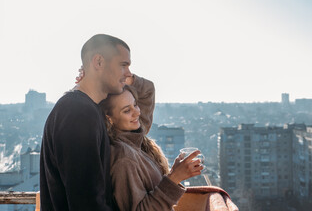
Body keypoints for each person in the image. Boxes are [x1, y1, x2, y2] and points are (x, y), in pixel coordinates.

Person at [40, 34, 132, 210]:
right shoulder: (78, 113)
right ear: (98, 62)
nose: (129, 74)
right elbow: (87, 203)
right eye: (123, 65)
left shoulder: (84, 108)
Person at [99, 76, 204, 211]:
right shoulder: (124, 159)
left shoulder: (135, 137)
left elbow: (147, 90)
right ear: (109, 119)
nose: (137, 112)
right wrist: (174, 178)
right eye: (127, 110)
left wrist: (123, 77)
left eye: (135, 104)